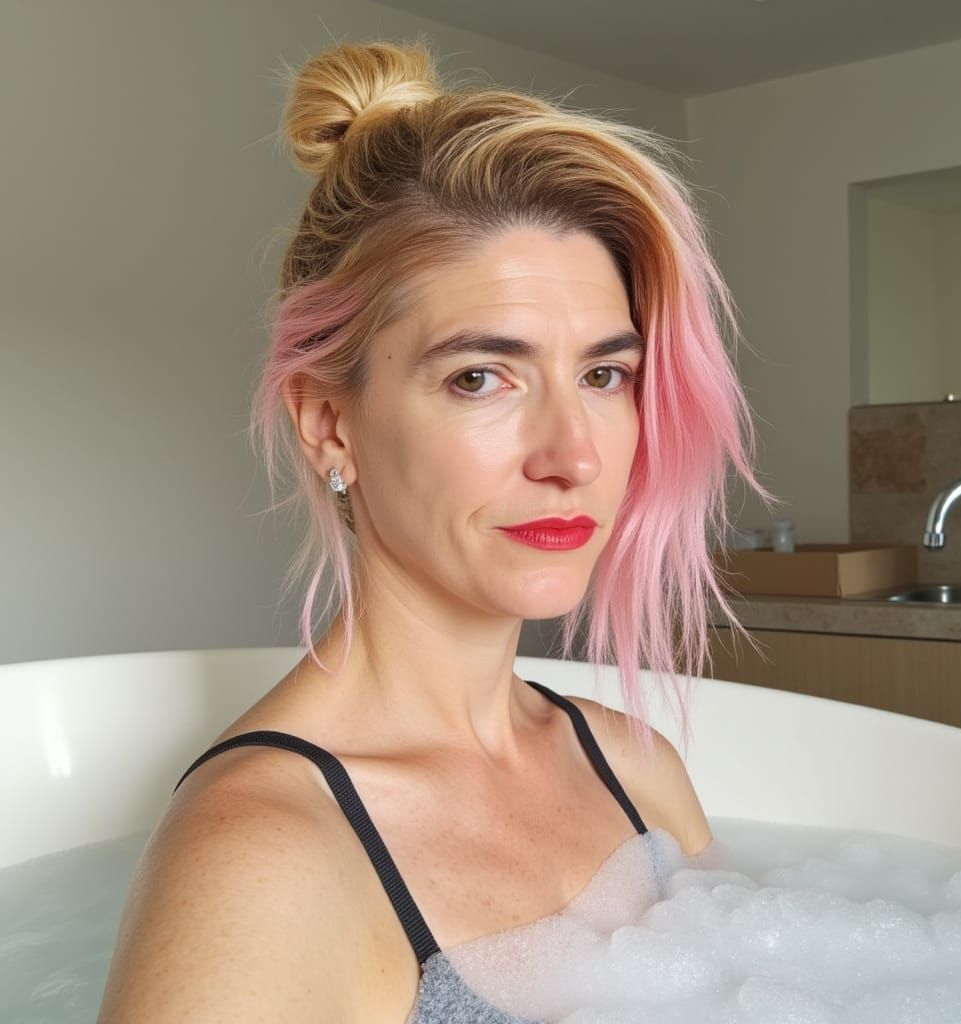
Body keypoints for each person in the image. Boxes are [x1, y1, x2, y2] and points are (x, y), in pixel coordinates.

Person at [98, 38, 765, 1023]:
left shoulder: (637, 765)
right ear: (329, 423)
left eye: (602, 374)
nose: (573, 456)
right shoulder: (262, 858)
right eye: (479, 377)